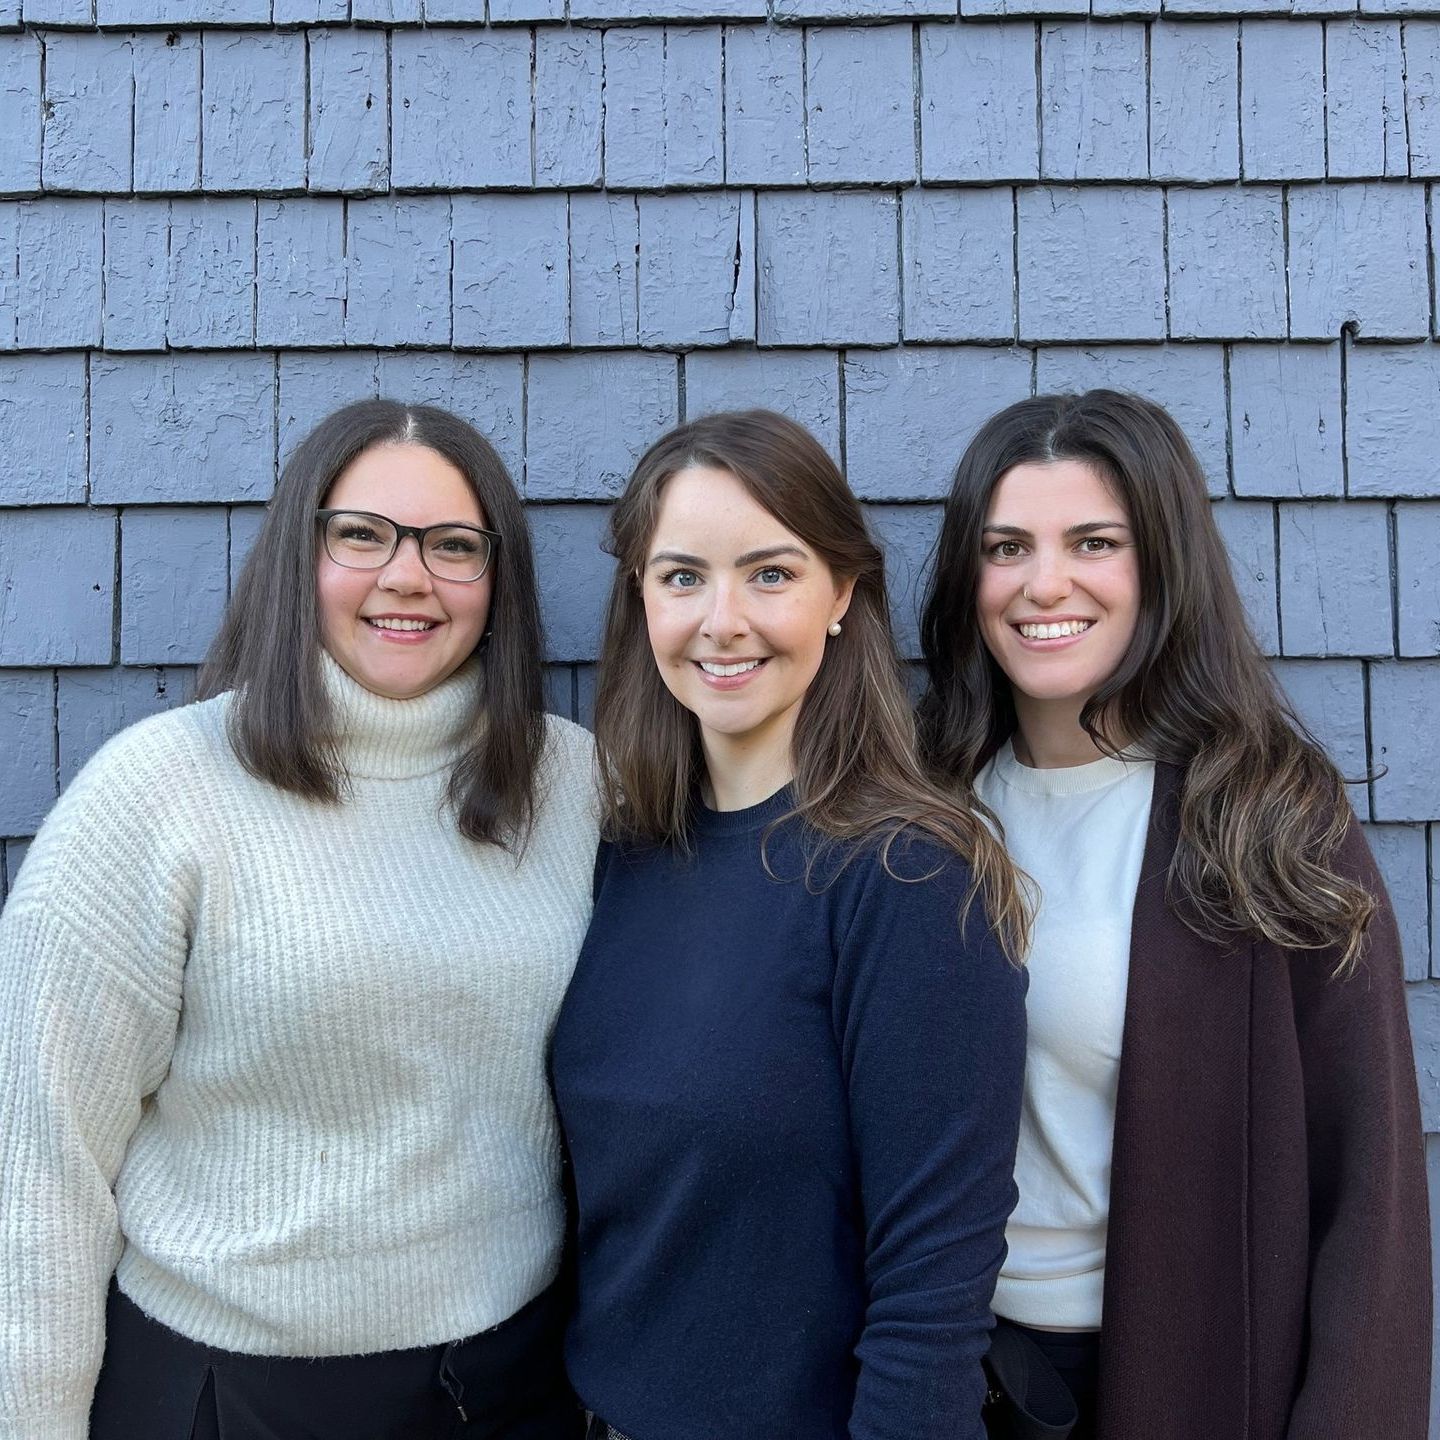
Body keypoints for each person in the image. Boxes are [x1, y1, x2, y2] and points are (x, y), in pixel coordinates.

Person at [0, 400, 598, 1440]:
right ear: (297, 556)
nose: (407, 575)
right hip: (230, 1394)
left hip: (508, 1385)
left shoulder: (576, 786)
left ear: (498, 582)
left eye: (454, 546)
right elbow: (38, 1170)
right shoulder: (155, 794)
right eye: (361, 535)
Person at [917, 388, 1431, 1440]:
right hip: (948, 1377)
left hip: (1186, 1376)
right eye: (1006, 546)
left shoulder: (1270, 823)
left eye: (1093, 542)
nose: (1042, 584)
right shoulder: (919, 808)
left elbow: (1369, 1192)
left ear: (1160, 563)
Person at [548, 409, 1031, 1440]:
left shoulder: (906, 880)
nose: (722, 620)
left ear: (842, 594)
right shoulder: (622, 854)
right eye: (682, 577)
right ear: (640, 598)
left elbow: (931, 1302)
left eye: (770, 574)